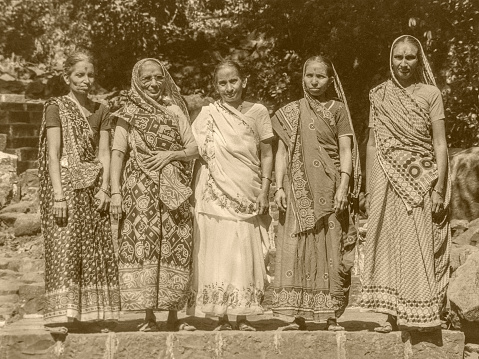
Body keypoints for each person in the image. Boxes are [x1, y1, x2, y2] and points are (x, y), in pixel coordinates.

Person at [361, 35, 450, 332]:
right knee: (385, 242)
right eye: (398, 57)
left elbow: (440, 144)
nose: (403, 63)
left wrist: (439, 187)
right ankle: (387, 314)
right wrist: (370, 189)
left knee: (417, 244)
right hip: (385, 177)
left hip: (420, 178)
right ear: (391, 59)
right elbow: (372, 144)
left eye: (410, 57)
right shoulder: (379, 95)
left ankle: (417, 313)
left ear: (419, 59)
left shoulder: (430, 94)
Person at [271, 56, 361, 331]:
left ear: (329, 80)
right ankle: (298, 315)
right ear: (303, 76)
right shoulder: (291, 112)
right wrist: (278, 187)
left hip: (331, 188)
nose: (314, 81)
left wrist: (344, 185)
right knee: (298, 248)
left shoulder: (338, 109)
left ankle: (331, 315)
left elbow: (346, 150)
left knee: (331, 248)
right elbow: (282, 152)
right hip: (297, 190)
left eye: (320, 76)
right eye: (309, 75)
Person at [110, 58, 198, 332]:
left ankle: (173, 316)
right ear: (137, 81)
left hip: (174, 192)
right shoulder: (127, 114)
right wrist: (114, 192)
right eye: (146, 79)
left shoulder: (175, 111)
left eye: (158, 77)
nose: (153, 84)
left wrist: (170, 155)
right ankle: (148, 316)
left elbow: (194, 149)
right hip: (140, 192)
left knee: (175, 246)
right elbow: (118, 154)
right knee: (145, 245)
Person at [188, 60, 273, 331]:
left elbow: (267, 153)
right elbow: (198, 153)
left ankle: (243, 315)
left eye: (233, 81)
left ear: (244, 81)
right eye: (222, 83)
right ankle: (220, 316)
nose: (228, 88)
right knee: (219, 250)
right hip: (216, 193)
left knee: (245, 249)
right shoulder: (208, 114)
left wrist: (265, 189)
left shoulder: (258, 112)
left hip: (248, 188)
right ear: (215, 86)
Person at [38, 51, 120, 333]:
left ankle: (94, 315)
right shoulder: (56, 108)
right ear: (67, 77)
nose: (86, 80)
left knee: (95, 250)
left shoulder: (101, 110)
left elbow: (105, 152)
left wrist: (106, 190)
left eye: (90, 75)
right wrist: (58, 195)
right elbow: (53, 153)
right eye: (80, 75)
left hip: (95, 187)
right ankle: (62, 317)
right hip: (66, 189)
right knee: (66, 247)